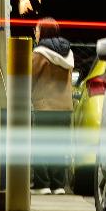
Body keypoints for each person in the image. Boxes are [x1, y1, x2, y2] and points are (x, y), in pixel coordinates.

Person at [29, 16, 75, 195]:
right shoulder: (68, 54)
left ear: (44, 32)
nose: (35, 32)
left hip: (45, 106)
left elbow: (30, 78)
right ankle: (58, 185)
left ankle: (42, 184)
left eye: (37, 29)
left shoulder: (39, 53)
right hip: (65, 107)